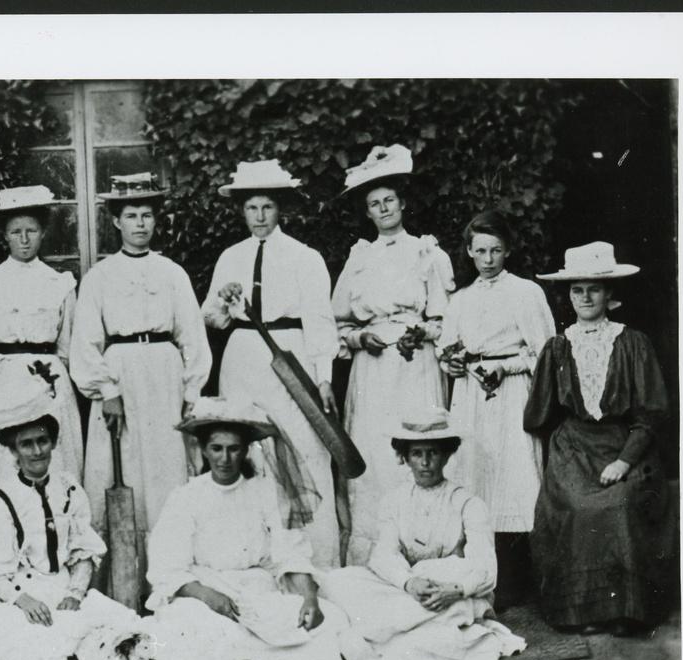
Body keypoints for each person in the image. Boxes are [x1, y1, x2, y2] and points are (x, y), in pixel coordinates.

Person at [77, 397, 351, 660]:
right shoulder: (186, 497)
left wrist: (309, 598)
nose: (225, 458)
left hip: (257, 588)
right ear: (204, 450)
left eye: (234, 449)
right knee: (194, 626)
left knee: (326, 619)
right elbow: (168, 568)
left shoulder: (264, 492)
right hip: (204, 592)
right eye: (216, 449)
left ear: (246, 450)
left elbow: (288, 552)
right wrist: (208, 596)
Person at [69, 173, 212, 594]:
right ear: (116, 221)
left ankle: (168, 582)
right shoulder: (100, 276)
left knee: (165, 475)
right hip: (121, 380)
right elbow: (85, 342)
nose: (140, 224)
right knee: (122, 473)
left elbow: (192, 337)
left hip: (164, 379)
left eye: (147, 215)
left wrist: (190, 393)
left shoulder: (171, 273)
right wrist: (106, 391)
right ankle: (120, 585)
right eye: (131, 215)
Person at [525, 242, 676, 636]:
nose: (585, 297)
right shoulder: (558, 346)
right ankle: (582, 611)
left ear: (610, 295)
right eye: (577, 289)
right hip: (574, 448)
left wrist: (624, 460)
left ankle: (624, 610)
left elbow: (651, 413)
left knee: (621, 504)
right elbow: (539, 413)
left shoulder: (631, 342)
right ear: (569, 295)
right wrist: (564, 447)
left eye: (594, 288)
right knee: (576, 506)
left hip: (625, 444)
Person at [201, 159, 343, 569]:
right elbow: (210, 317)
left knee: (304, 446)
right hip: (243, 358)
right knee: (249, 451)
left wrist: (324, 377)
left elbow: (320, 321)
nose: (259, 217)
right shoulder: (230, 257)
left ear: (280, 209)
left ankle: (316, 560)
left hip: (290, 356)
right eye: (251, 208)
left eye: (267, 208)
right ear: (241, 211)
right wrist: (225, 303)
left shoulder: (305, 257)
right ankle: (253, 559)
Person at [320, 406, 525, 660]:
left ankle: (387, 631)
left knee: (451, 573)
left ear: (447, 455)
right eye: (417, 453)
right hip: (413, 592)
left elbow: (486, 570)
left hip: (452, 593)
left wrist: (456, 590)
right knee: (338, 580)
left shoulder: (468, 504)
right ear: (404, 457)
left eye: (433, 453)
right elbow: (384, 555)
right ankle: (410, 627)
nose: (425, 462)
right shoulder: (394, 501)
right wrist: (409, 582)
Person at [331, 144, 455, 567]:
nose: (383, 209)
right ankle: (372, 561)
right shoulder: (359, 258)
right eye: (374, 204)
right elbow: (340, 325)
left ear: (402, 204)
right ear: (367, 213)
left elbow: (443, 320)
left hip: (414, 365)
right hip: (372, 372)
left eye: (389, 201)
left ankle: (426, 553)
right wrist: (360, 339)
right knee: (375, 454)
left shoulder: (427, 253)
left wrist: (419, 332)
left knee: (416, 445)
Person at [0, 374, 129, 660]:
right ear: (13, 450)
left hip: (60, 589)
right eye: (26, 444)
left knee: (119, 627)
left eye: (42, 441)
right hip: (16, 596)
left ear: (53, 443)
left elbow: (82, 551)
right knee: (27, 643)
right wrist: (22, 599)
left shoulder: (69, 490)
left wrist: (76, 593)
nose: (37, 451)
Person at [436, 209, 555, 611]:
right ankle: (483, 573)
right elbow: (446, 347)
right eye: (481, 250)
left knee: (515, 475)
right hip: (471, 394)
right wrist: (451, 363)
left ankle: (518, 578)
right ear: (469, 252)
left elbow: (544, 351)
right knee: (475, 473)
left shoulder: (525, 293)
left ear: (508, 251)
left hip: (510, 394)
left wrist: (505, 366)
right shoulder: (461, 299)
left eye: (496, 250)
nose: (488, 259)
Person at [0, 185, 83, 510]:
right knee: (2, 462)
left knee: (54, 458)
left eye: (31, 230)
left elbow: (68, 344)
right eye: (16, 232)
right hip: (3, 380)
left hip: (50, 381)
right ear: (6, 236)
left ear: (43, 233)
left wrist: (58, 380)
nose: (24, 239)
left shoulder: (60, 284)